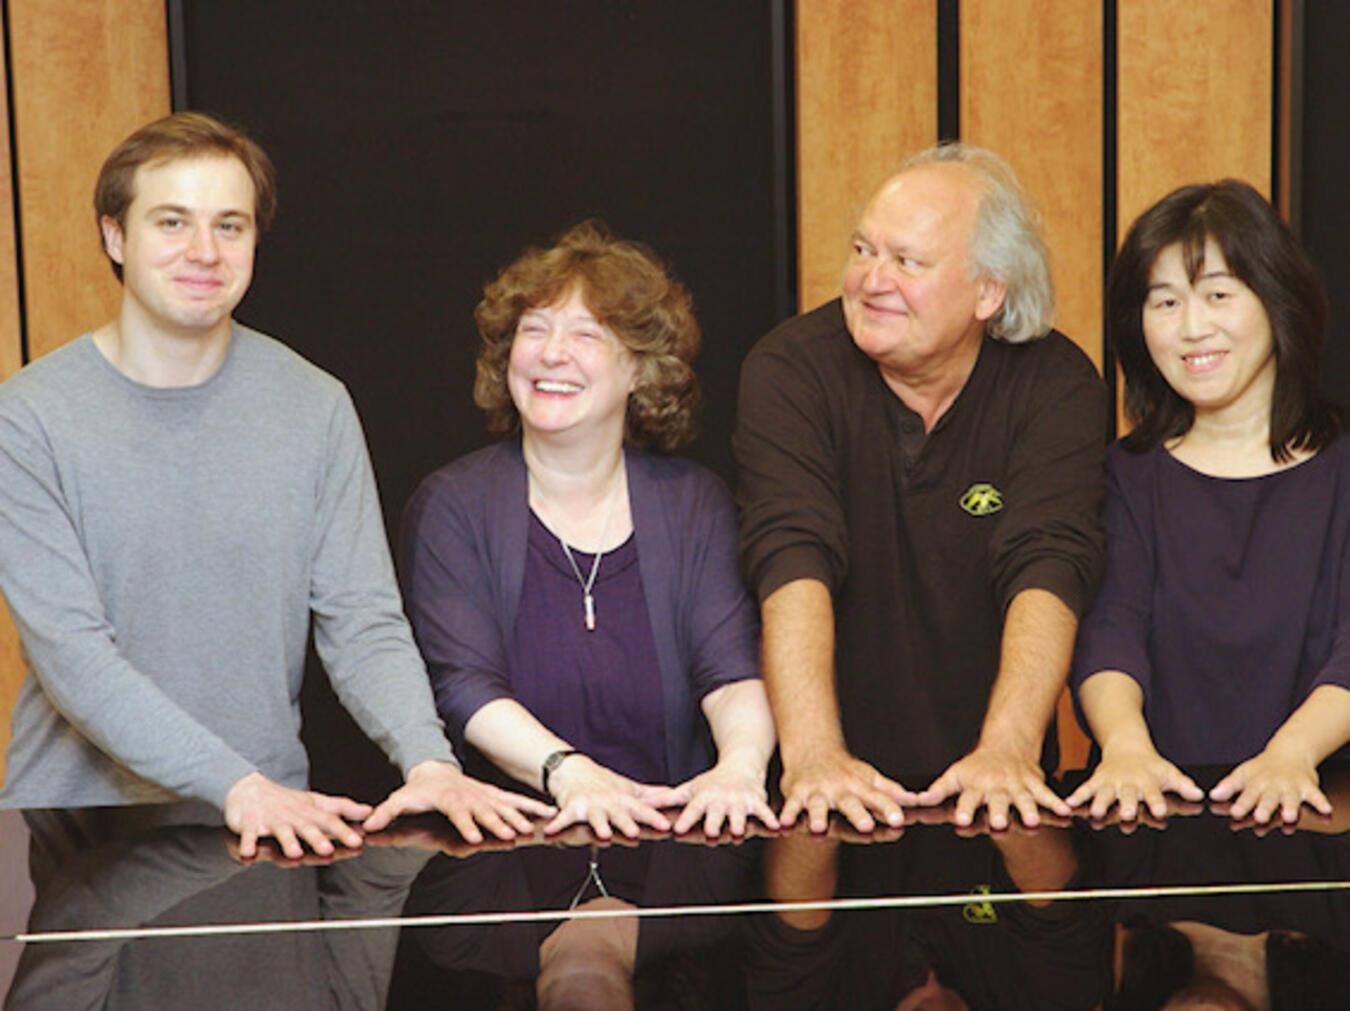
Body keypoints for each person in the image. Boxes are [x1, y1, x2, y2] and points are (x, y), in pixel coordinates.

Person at [0, 112, 551, 859]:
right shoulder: (25, 419)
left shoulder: (313, 404)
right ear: (114, 237)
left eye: (230, 225)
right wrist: (236, 781)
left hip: (269, 827)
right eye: (173, 221)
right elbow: (76, 659)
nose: (204, 251)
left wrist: (430, 760)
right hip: (84, 829)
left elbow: (362, 622)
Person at [735, 142, 1106, 833]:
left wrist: (1008, 748)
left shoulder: (1057, 385)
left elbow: (1049, 563)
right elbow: (791, 556)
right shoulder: (789, 371)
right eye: (862, 250)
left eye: (907, 262)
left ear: (988, 291)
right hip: (828, 801)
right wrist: (814, 754)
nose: (872, 280)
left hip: (996, 794)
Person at [400, 221, 777, 840]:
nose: (552, 353)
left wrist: (739, 769)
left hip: (676, 842)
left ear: (640, 371)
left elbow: (732, 669)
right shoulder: (453, 505)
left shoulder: (694, 503)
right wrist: (568, 773)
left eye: (585, 334)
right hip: (506, 853)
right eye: (534, 330)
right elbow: (462, 683)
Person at [1068, 180, 1350, 825]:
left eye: (1218, 294)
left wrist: (1292, 754)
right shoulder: (1123, 477)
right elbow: (1110, 628)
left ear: (1279, 300)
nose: (1192, 328)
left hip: (1323, 815)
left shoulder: (1341, 472)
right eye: (1164, 302)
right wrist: (1124, 746)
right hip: (1154, 814)